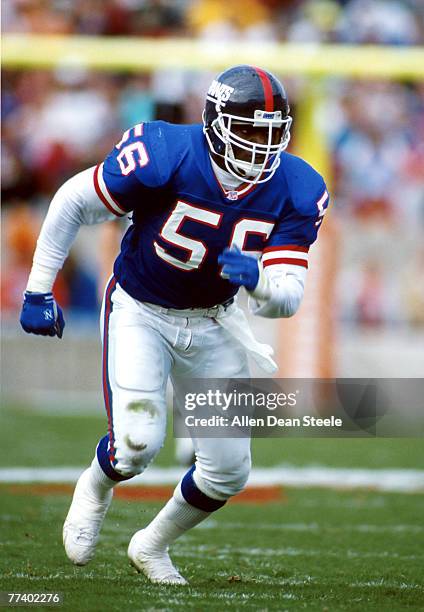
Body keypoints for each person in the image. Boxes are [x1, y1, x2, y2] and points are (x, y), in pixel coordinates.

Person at [20, 65, 330, 585]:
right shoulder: (165, 153)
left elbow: (287, 301)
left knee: (229, 470)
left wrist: (258, 281)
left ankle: (152, 544)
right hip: (141, 310)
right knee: (137, 445)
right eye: (250, 128)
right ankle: (96, 485)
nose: (261, 144)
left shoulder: (298, 187)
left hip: (217, 323)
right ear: (215, 121)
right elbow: (74, 200)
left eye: (272, 131)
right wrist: (37, 287)